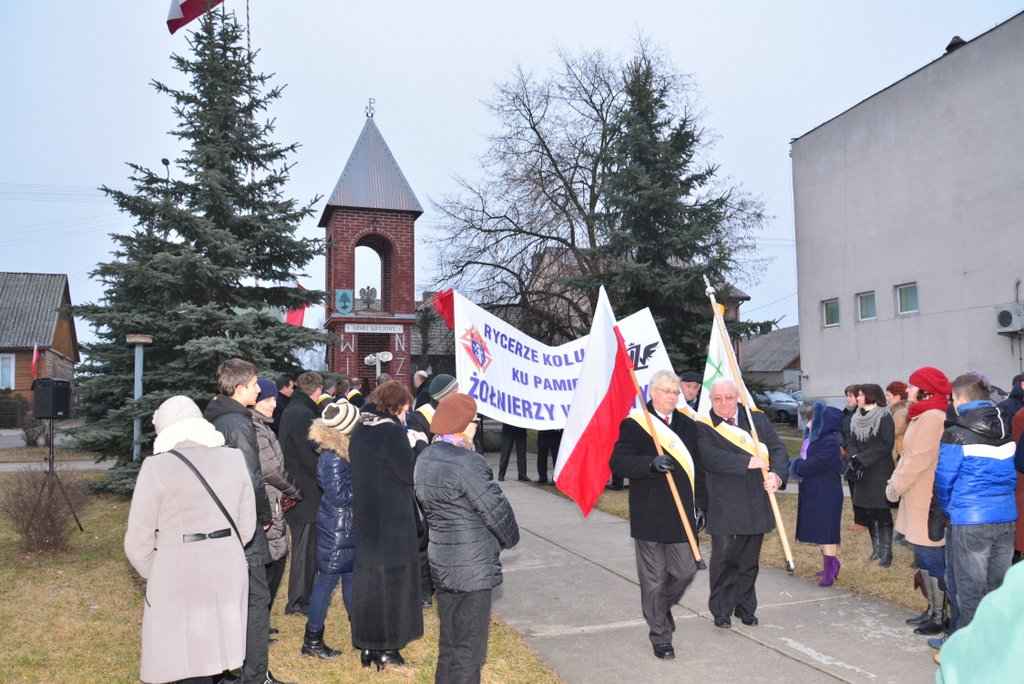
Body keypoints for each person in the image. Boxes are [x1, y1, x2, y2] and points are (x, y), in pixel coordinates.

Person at [125, 396, 255, 684]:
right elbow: (247, 527)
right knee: (216, 650)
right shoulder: (235, 458)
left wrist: (158, 571)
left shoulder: (156, 467)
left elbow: (137, 543)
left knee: (185, 657)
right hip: (228, 566)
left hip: (178, 572)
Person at [414, 393, 520, 683]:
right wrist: (509, 539)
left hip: (441, 560)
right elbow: (496, 509)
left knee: (450, 642)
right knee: (469, 649)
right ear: (462, 423)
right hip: (471, 566)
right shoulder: (467, 462)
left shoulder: (426, 457)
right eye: (475, 421)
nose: (477, 427)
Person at [203, 358, 284, 684]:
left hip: (225, 519)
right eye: (253, 385)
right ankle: (256, 676)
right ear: (239, 388)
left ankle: (221, 672)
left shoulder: (220, 416)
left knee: (228, 599)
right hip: (242, 522)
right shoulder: (237, 422)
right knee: (256, 598)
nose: (258, 389)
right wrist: (262, 517)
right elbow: (250, 475)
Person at [609, 370, 700, 658]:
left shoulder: (687, 425)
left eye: (675, 392)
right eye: (666, 392)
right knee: (654, 580)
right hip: (649, 515)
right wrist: (649, 464)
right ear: (652, 392)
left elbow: (699, 469)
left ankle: (659, 608)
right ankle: (660, 636)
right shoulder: (636, 425)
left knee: (685, 572)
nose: (672, 397)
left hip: (681, 516)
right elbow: (618, 462)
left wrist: (703, 505)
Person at [696, 378, 788, 628]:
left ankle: (745, 607)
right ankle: (721, 609)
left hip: (756, 499)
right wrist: (746, 462)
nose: (723, 403)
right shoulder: (704, 426)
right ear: (710, 400)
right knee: (724, 558)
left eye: (728, 397)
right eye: (717, 398)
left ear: (738, 398)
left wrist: (777, 475)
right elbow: (708, 456)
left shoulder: (756, 420)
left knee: (749, 560)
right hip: (724, 502)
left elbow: (778, 449)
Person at [349, 380, 426, 670]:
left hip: (367, 518)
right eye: (405, 409)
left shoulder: (360, 430)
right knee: (393, 584)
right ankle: (389, 648)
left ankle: (369, 646)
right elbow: (410, 473)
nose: (406, 415)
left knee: (369, 584)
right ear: (395, 407)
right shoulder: (392, 432)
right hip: (393, 521)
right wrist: (419, 445)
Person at [934, 373, 1017, 630]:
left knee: (969, 591)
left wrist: (949, 509)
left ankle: (969, 648)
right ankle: (996, 643)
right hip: (1006, 516)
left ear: (959, 400)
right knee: (997, 589)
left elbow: (944, 481)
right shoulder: (1006, 428)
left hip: (970, 519)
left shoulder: (956, 433)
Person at [884, 367, 950, 635]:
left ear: (926, 390)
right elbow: (906, 456)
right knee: (923, 555)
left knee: (931, 556)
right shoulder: (921, 414)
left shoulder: (933, 417)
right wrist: (894, 482)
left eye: (912, 385)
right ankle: (932, 609)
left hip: (925, 496)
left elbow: (918, 459)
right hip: (915, 493)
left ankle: (940, 616)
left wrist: (896, 486)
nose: (908, 389)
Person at [301, 400, 361, 660]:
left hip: (344, 525)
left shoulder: (341, 452)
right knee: (326, 582)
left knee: (350, 578)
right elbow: (339, 496)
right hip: (338, 527)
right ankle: (312, 640)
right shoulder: (333, 456)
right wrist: (365, 488)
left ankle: (360, 632)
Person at [250, 380, 303, 629]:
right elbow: (270, 469)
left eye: (274, 399)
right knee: (271, 563)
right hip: (268, 502)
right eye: (268, 399)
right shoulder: (257, 429)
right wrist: (295, 491)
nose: (274, 404)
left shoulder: (264, 426)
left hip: (273, 499)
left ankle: (262, 622)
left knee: (277, 559)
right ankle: (258, 624)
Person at [278, 370, 324, 617]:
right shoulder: (303, 414)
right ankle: (298, 601)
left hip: (298, 487)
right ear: (318, 391)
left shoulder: (293, 409)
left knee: (305, 546)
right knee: (305, 548)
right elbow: (308, 457)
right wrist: (325, 475)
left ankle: (304, 597)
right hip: (305, 491)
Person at [793, 402, 844, 586]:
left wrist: (795, 465)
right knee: (818, 530)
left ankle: (830, 570)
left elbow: (813, 464)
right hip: (814, 492)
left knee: (826, 532)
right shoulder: (814, 440)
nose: (807, 425)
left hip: (826, 493)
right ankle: (831, 563)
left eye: (811, 421)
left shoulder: (829, 442)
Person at [846, 383, 897, 567]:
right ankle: (876, 550)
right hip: (862, 472)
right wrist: (854, 455)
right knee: (868, 511)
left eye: (860, 394)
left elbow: (886, 443)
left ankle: (886, 553)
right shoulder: (856, 417)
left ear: (870, 396)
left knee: (882, 512)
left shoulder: (884, 416)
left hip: (880, 471)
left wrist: (862, 457)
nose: (858, 397)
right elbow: (851, 441)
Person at [840, 384, 865, 528]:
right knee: (852, 487)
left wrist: (847, 448)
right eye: (847, 396)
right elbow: (840, 430)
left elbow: (855, 435)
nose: (848, 399)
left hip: (857, 454)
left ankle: (862, 521)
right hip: (847, 454)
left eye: (851, 396)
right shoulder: (845, 412)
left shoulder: (861, 413)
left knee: (859, 489)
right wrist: (841, 446)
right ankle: (858, 520)